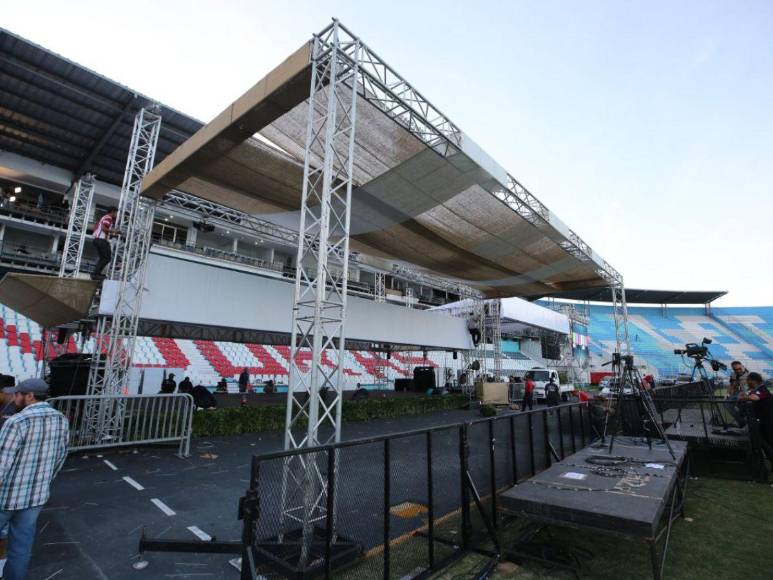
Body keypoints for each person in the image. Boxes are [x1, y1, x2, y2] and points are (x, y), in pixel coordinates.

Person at [0, 378, 68, 580]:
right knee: (21, 549)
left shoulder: (16, 422)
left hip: (5, 497)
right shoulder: (61, 419)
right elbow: (60, 457)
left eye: (18, 394)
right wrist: (43, 483)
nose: (15, 397)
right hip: (35, 498)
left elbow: (1, 464)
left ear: (29, 396)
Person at [740, 372, 773, 464]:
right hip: (763, 421)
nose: (747, 382)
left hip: (768, 421)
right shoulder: (755, 389)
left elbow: (754, 398)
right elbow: (745, 395)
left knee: (769, 442)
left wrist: (745, 397)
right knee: (764, 443)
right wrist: (745, 395)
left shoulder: (762, 389)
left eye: (748, 380)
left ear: (753, 381)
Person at [91, 206, 118, 280]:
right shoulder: (109, 217)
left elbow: (103, 229)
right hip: (101, 240)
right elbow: (103, 228)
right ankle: (95, 274)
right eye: (116, 213)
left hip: (98, 239)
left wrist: (112, 233)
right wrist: (114, 231)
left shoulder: (105, 217)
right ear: (112, 212)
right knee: (107, 258)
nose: (117, 215)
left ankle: (96, 274)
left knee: (103, 258)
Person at [726, 361, 750, 426]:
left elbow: (753, 387)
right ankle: (741, 421)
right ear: (733, 369)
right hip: (737, 393)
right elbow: (731, 385)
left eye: (739, 368)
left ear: (742, 366)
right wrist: (728, 393)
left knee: (744, 408)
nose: (738, 371)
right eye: (735, 369)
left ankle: (745, 421)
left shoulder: (749, 374)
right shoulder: (733, 375)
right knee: (726, 404)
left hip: (746, 394)